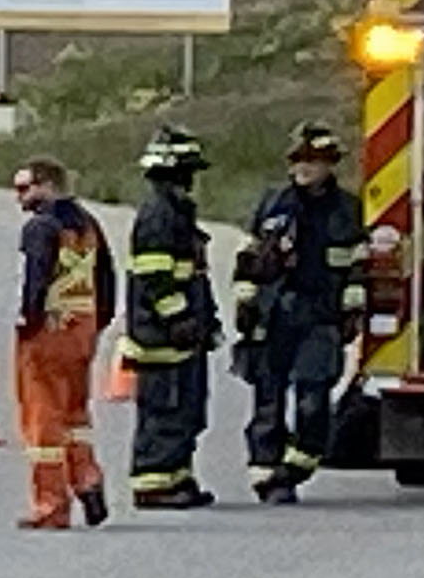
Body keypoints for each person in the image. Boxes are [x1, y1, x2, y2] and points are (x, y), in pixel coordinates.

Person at [235, 121, 370, 504]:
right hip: (274, 311)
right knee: (268, 397)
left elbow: (356, 267)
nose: (305, 168)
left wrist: (351, 312)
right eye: (299, 161)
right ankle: (266, 472)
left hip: (320, 315)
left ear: (330, 166)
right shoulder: (274, 203)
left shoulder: (346, 210)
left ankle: (297, 466)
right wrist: (246, 303)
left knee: (314, 398)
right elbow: (248, 258)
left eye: (315, 161)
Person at [9, 158, 117, 530]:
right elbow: (106, 277)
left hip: (49, 332)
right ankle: (88, 478)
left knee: (42, 419)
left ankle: (51, 505)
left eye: (25, 188)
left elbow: (36, 278)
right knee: (75, 413)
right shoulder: (87, 224)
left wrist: (28, 319)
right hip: (82, 329)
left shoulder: (41, 228)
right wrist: (98, 322)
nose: (19, 197)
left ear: (47, 186)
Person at [120, 127, 219, 509]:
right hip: (161, 338)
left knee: (187, 410)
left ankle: (177, 476)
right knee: (166, 409)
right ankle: (154, 482)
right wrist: (178, 318)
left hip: (180, 335)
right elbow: (155, 276)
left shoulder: (175, 210)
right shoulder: (159, 214)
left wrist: (204, 321)